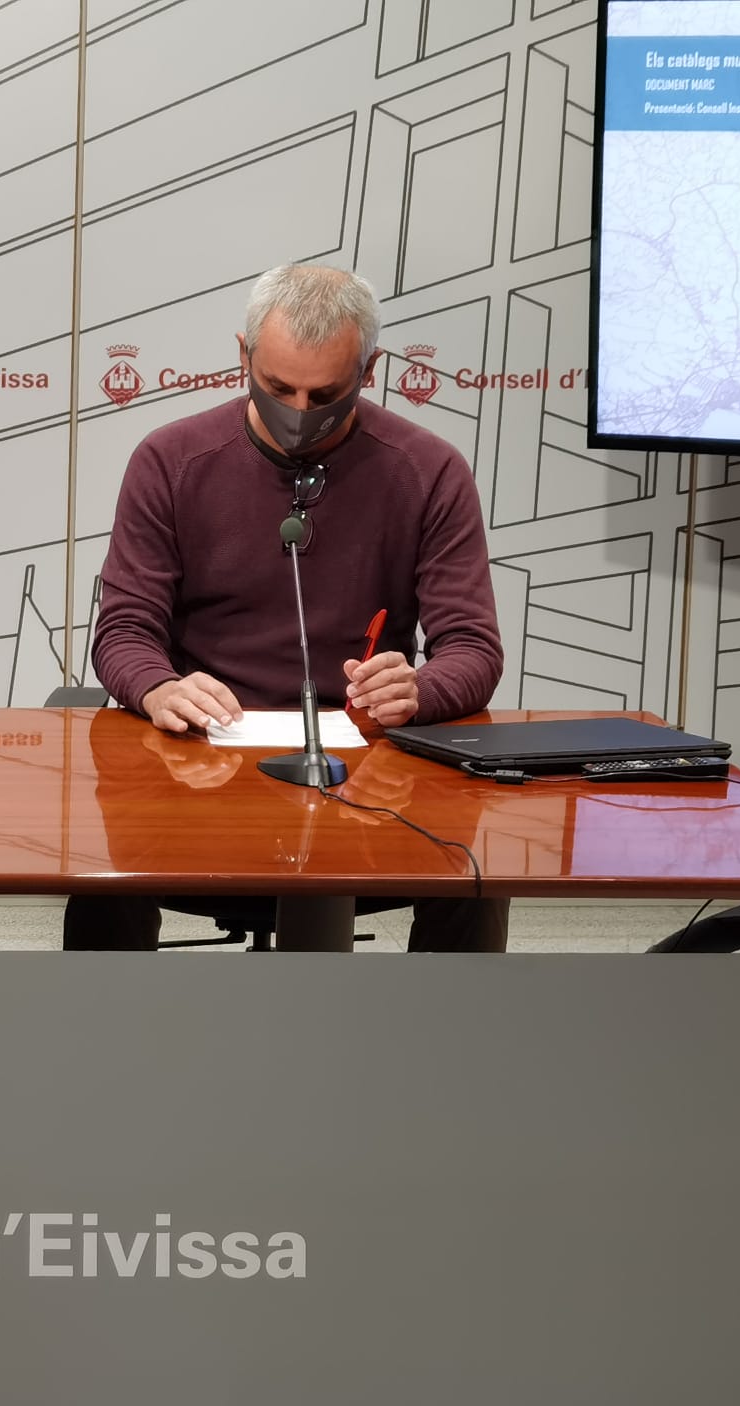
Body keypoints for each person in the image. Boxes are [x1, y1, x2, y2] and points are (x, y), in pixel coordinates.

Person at [70, 263, 510, 952]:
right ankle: (104, 1019)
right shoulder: (170, 460)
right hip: (202, 751)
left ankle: (447, 1022)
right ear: (243, 356)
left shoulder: (429, 470)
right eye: (278, 388)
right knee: (107, 857)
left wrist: (418, 690)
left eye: (325, 394)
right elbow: (125, 630)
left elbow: (474, 648)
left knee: (474, 863)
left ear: (370, 370)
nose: (300, 412)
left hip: (364, 758)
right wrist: (159, 688)